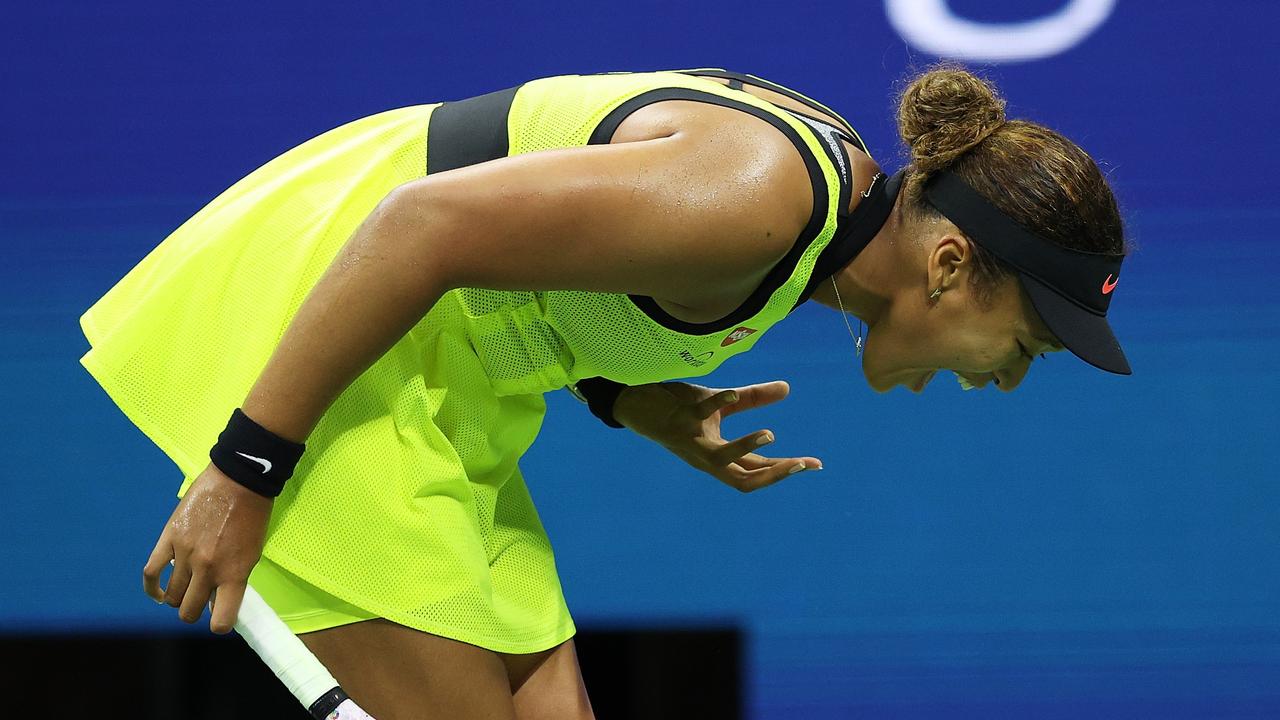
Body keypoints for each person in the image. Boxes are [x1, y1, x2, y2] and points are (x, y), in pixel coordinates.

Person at [77, 64, 1133, 719]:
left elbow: (549, 253)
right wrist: (243, 467)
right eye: (1027, 342)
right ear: (949, 266)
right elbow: (420, 226)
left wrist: (624, 395)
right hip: (323, 328)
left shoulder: (812, 227)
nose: (1004, 378)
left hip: (445, 387)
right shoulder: (761, 198)